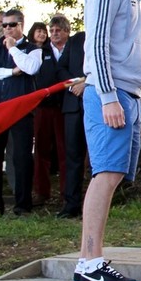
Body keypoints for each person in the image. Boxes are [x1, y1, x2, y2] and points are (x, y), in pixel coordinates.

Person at [72, 0, 141, 281]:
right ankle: (89, 262)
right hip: (110, 93)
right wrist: (108, 96)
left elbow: (133, 52)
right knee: (105, 173)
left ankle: (93, 258)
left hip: (130, 94)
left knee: (115, 173)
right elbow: (98, 43)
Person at [0, 8, 42, 217]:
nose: (7, 29)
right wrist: (11, 72)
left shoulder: (32, 49)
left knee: (22, 157)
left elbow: (31, 67)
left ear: (21, 25)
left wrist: (14, 49)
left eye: (11, 25)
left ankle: (23, 206)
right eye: (4, 25)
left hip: (21, 111)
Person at [33, 18, 67, 206]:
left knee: (65, 151)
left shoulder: (73, 51)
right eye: (52, 30)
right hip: (43, 107)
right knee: (41, 151)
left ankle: (65, 192)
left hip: (65, 108)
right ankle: (41, 192)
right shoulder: (40, 51)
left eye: (59, 30)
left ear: (67, 32)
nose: (54, 33)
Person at [56, 29, 87, 219]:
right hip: (73, 105)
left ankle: (98, 203)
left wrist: (88, 83)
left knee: (99, 158)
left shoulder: (108, 33)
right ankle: (72, 205)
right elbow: (61, 68)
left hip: (99, 104)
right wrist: (75, 84)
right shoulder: (75, 40)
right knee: (73, 156)